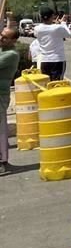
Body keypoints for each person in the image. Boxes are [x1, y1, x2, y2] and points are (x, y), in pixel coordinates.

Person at [0, 25, 21, 174]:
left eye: (5, 37)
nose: (1, 38)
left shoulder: (12, 54)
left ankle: (2, 161)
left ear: (13, 40)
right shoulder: (3, 50)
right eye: (1, 35)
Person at [34, 7, 70, 81]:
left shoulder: (37, 29)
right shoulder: (57, 28)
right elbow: (68, 34)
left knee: (46, 83)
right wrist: (63, 23)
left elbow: (47, 29)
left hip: (44, 60)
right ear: (52, 16)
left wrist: (55, 24)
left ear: (41, 17)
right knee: (57, 84)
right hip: (57, 60)